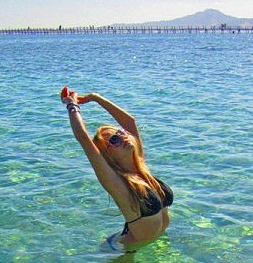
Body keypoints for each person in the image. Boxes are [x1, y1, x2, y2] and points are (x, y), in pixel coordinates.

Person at [60, 87, 173, 253]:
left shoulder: (140, 166)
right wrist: (72, 105)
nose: (123, 137)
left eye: (121, 133)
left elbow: (130, 122)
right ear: (107, 154)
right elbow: (83, 137)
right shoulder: (116, 181)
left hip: (148, 243)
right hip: (123, 250)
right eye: (114, 140)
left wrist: (96, 98)